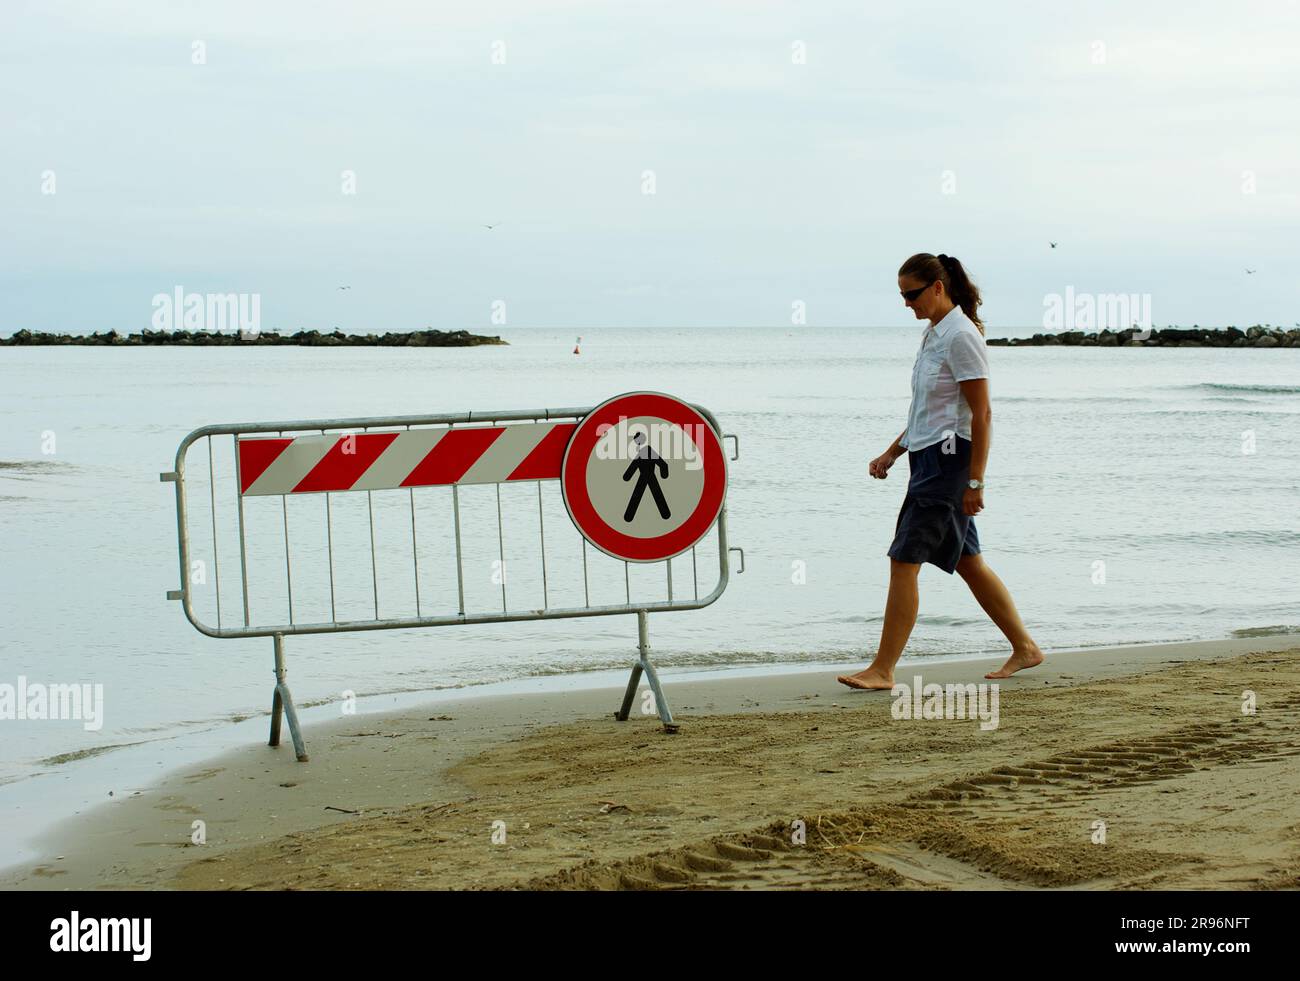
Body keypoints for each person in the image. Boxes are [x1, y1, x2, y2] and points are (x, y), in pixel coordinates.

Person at [837, 253, 1044, 690]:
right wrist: (892, 453)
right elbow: (927, 411)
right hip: (926, 459)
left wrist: (975, 480)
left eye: (912, 294)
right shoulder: (933, 335)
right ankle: (1025, 647)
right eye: (901, 295)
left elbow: (981, 414)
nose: (906, 303)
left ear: (937, 287)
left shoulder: (961, 336)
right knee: (969, 562)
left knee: (904, 559)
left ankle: (884, 669)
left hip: (951, 464)